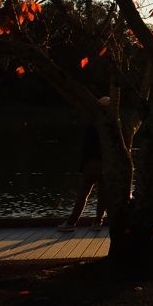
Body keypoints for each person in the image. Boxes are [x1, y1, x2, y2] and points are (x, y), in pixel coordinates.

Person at [58, 97, 109, 232]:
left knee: (83, 195)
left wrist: (82, 166)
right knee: (102, 196)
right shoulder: (112, 125)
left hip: (92, 163)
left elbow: (86, 147)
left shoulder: (93, 125)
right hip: (106, 164)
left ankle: (71, 223)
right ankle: (98, 222)